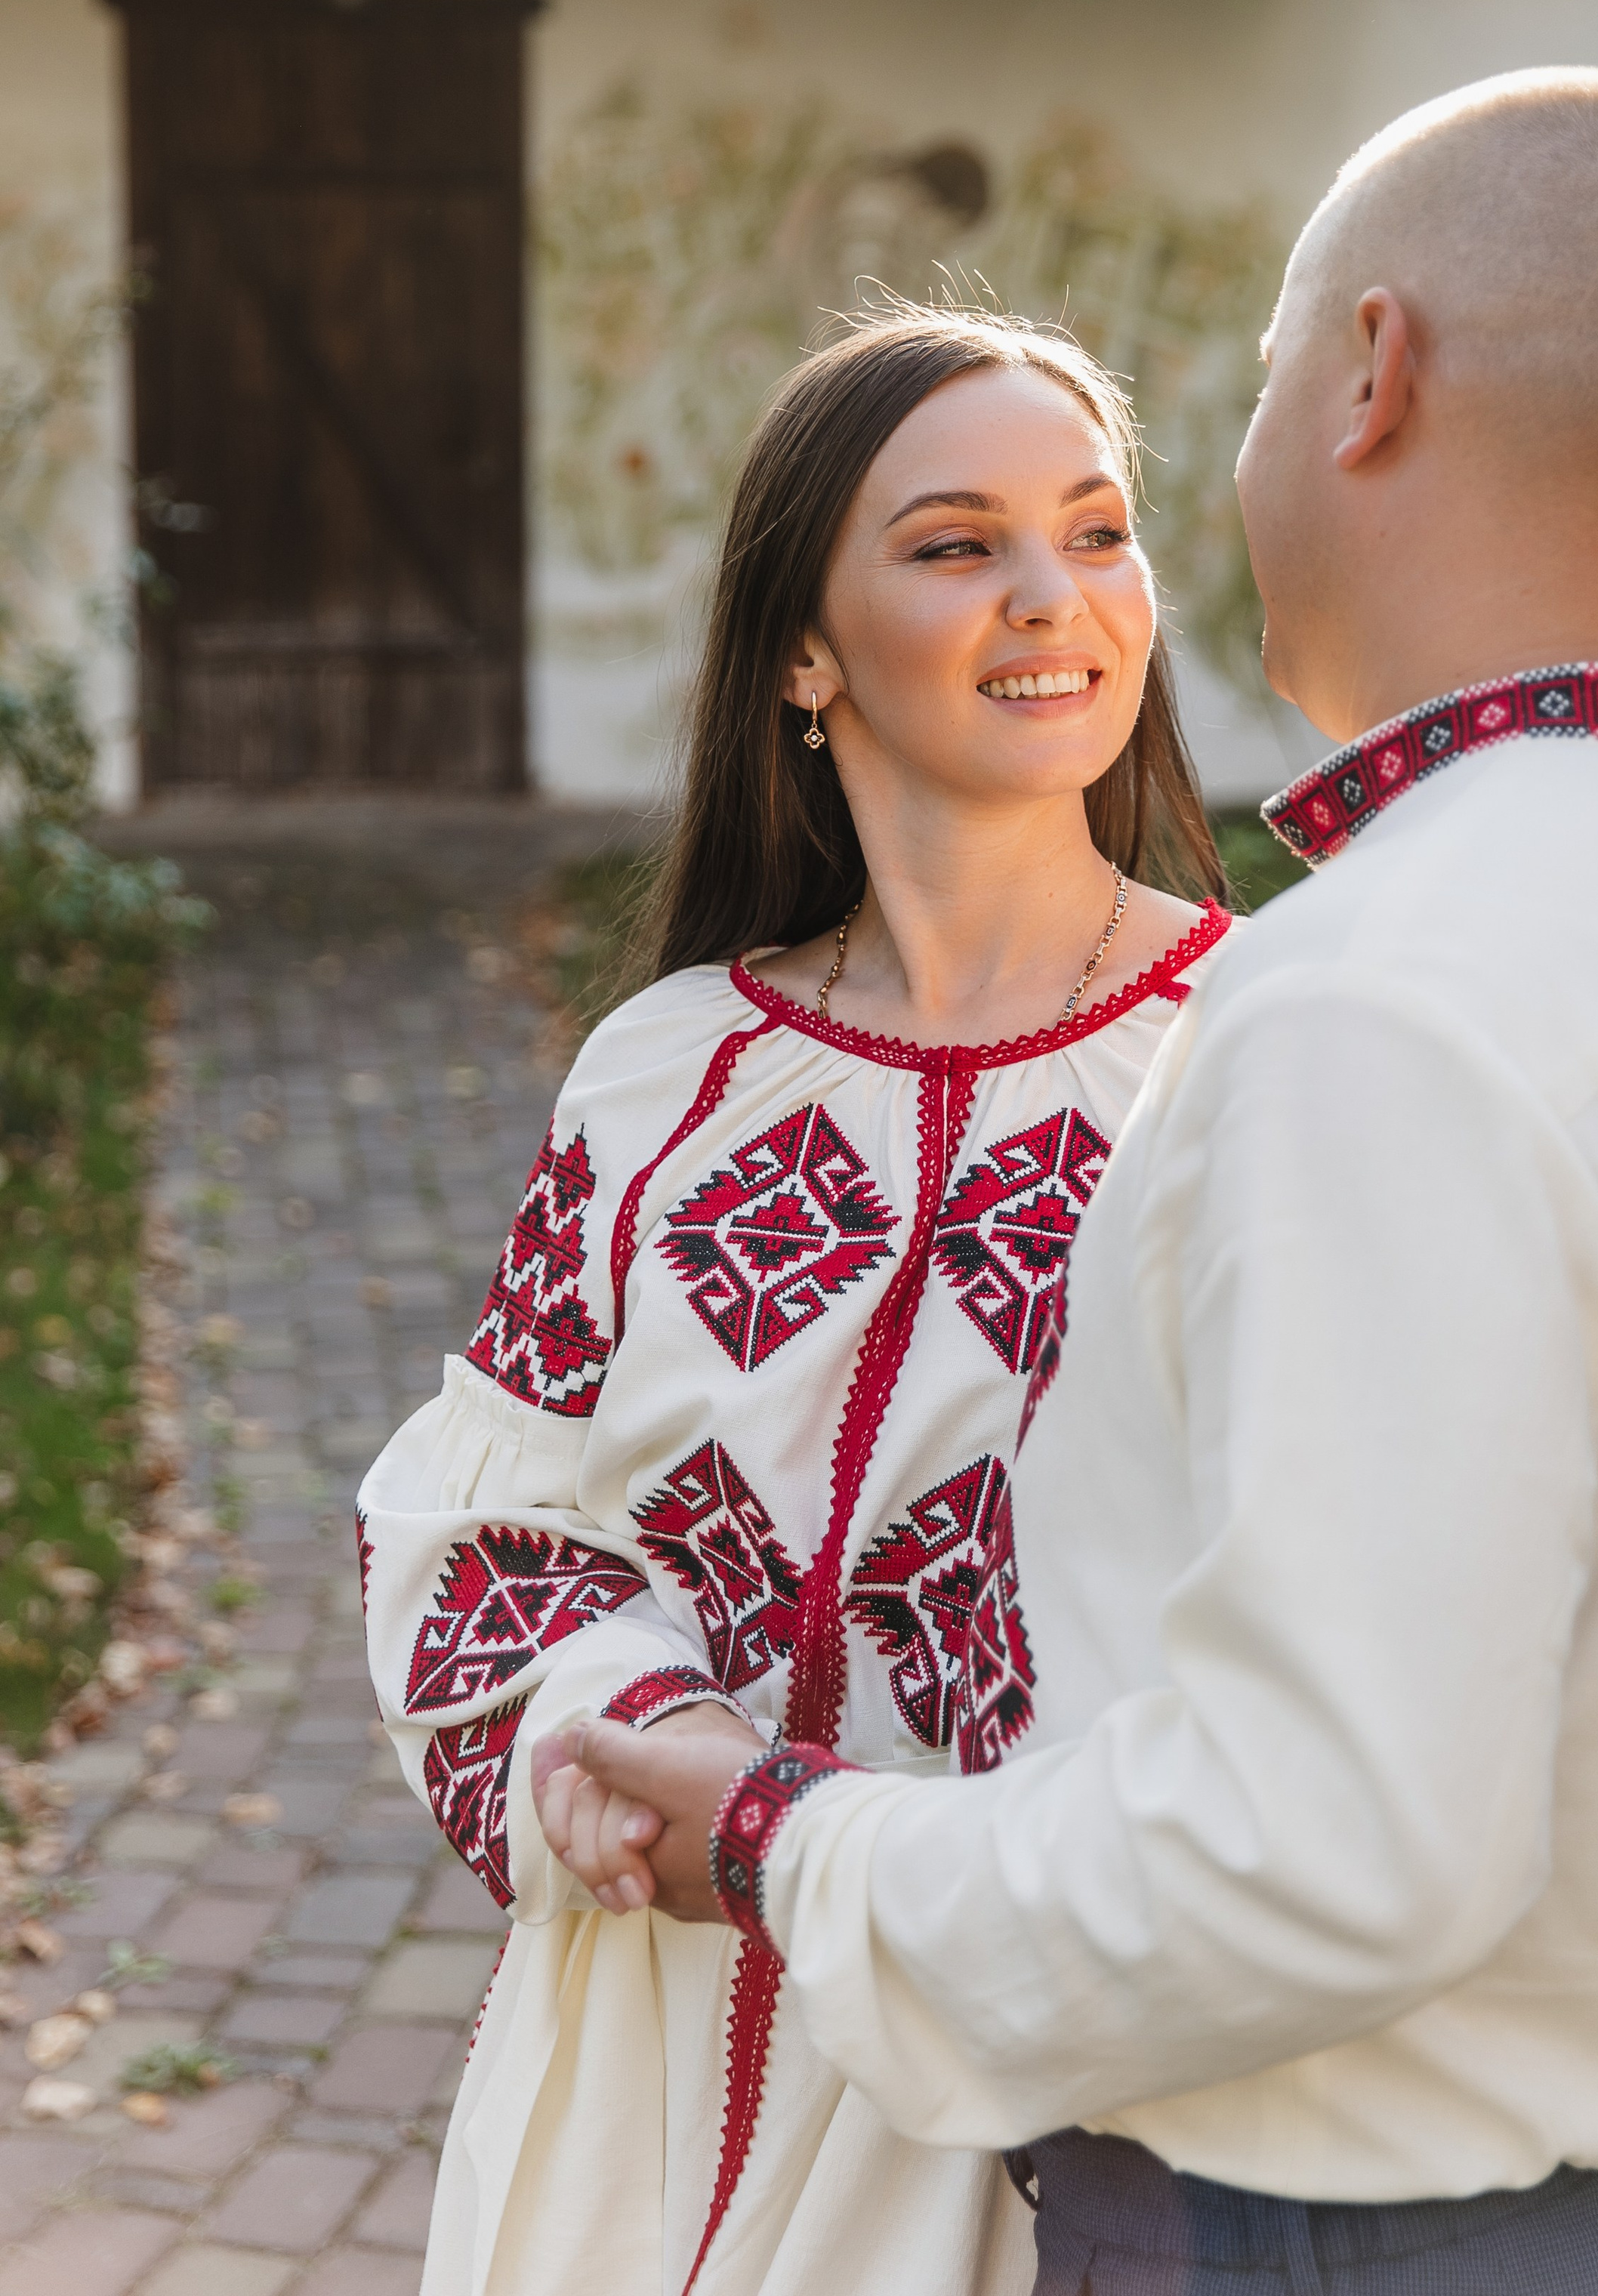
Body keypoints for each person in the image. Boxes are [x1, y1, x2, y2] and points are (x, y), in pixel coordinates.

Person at [554, 80, 1598, 2296]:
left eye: (1267, 376)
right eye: (950, 540)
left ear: (1375, 374)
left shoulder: (1365, 1001)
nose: (1085, 580)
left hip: (1335, 2210)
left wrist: (787, 1834)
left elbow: (1326, 1847)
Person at [358, 304, 1234, 2296]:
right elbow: (483, 1528)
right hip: (646, 2066)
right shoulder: (667, 1071)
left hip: (1033, 2080)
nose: (1053, 598)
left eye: (1098, 533)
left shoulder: (1262, 1051)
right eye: (958, 545)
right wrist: (626, 1731)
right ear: (802, 654)